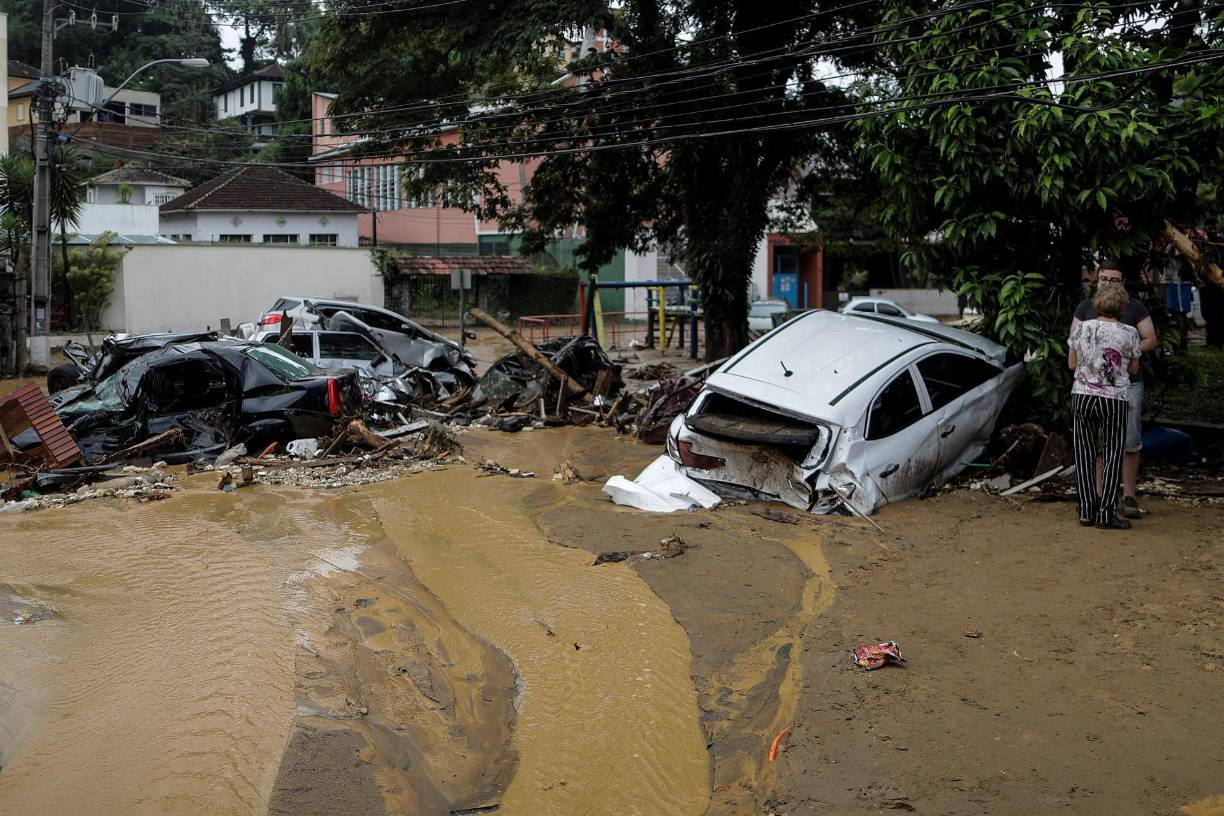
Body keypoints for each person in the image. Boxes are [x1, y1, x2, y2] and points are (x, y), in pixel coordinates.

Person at [1070, 260, 1158, 518]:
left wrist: (1112, 352)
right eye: (1104, 279)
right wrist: (1123, 353)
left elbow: (1072, 359)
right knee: (1109, 447)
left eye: (1113, 280)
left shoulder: (1134, 310)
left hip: (1098, 391)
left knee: (1120, 444)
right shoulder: (1085, 309)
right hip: (1113, 394)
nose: (1107, 284)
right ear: (1097, 280)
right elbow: (1131, 367)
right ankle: (1102, 504)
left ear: (1123, 284)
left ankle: (1111, 501)